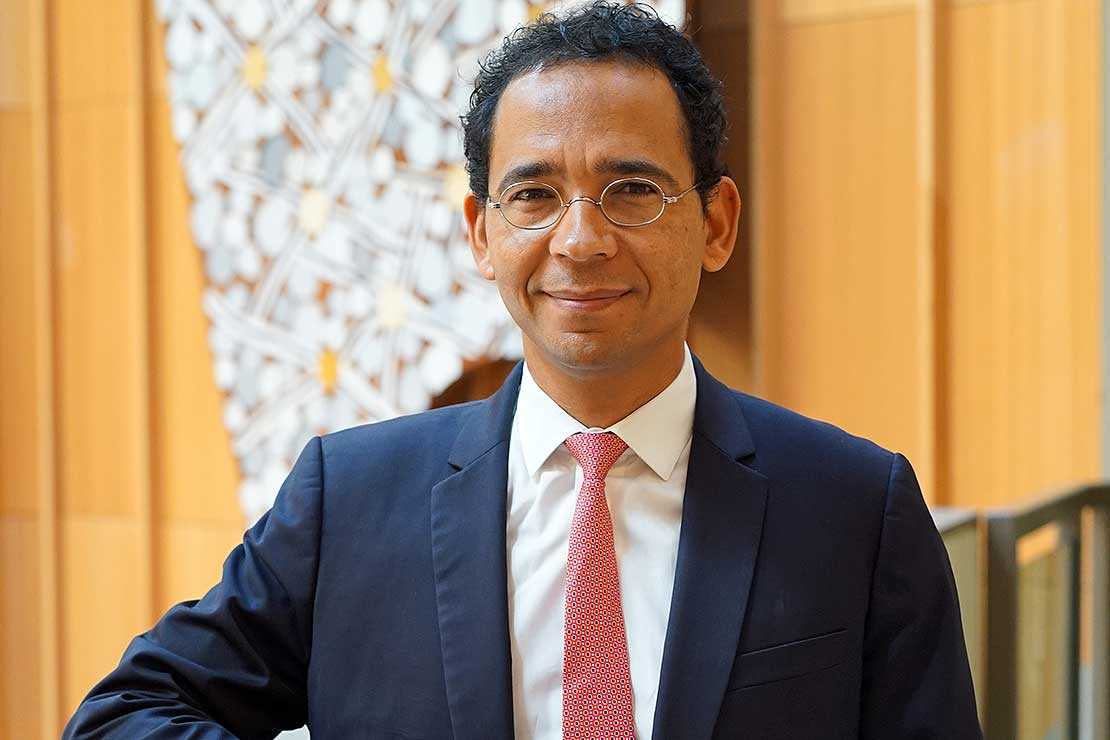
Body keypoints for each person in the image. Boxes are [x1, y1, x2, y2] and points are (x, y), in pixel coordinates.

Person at [64, 3, 981, 738]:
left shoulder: (855, 509)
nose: (580, 240)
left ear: (715, 223)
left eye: (632, 190)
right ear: (482, 234)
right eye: (534, 195)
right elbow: (125, 714)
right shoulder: (349, 500)